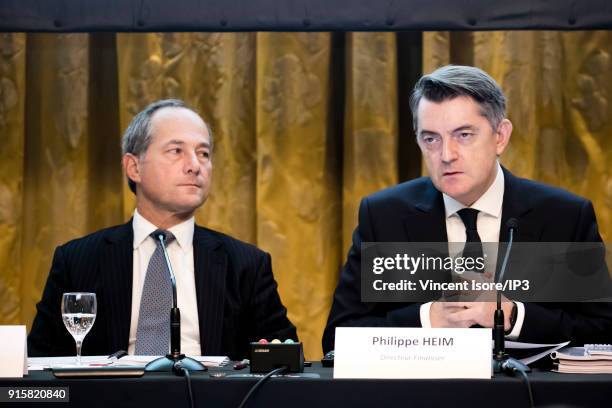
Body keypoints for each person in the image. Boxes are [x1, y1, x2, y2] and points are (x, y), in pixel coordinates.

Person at [323, 65, 612, 353]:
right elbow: (337, 339)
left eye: (463, 135)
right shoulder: (385, 215)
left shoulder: (564, 216)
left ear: (500, 136)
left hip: (528, 397)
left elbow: (603, 332)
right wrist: (428, 320)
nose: (446, 155)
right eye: (431, 139)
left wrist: (511, 316)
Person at [28, 99, 297, 360]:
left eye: (203, 153)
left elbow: (285, 361)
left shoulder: (246, 265)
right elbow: (38, 364)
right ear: (134, 167)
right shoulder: (78, 260)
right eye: (176, 151)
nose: (194, 165)